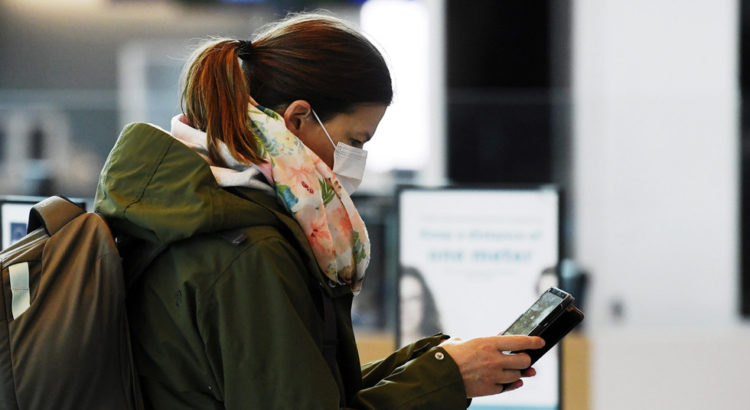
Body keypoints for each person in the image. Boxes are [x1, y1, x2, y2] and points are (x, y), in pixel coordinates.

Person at [95, 13, 544, 409]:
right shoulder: (250, 249)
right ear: (296, 120)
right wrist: (448, 377)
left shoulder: (199, 211)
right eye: (355, 140)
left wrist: (431, 366)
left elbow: (295, 388)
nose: (355, 161)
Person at [399, 266, 443, 346]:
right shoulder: (378, 347)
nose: (405, 307)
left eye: (413, 299)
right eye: (399, 299)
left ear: (425, 303)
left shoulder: (442, 346)